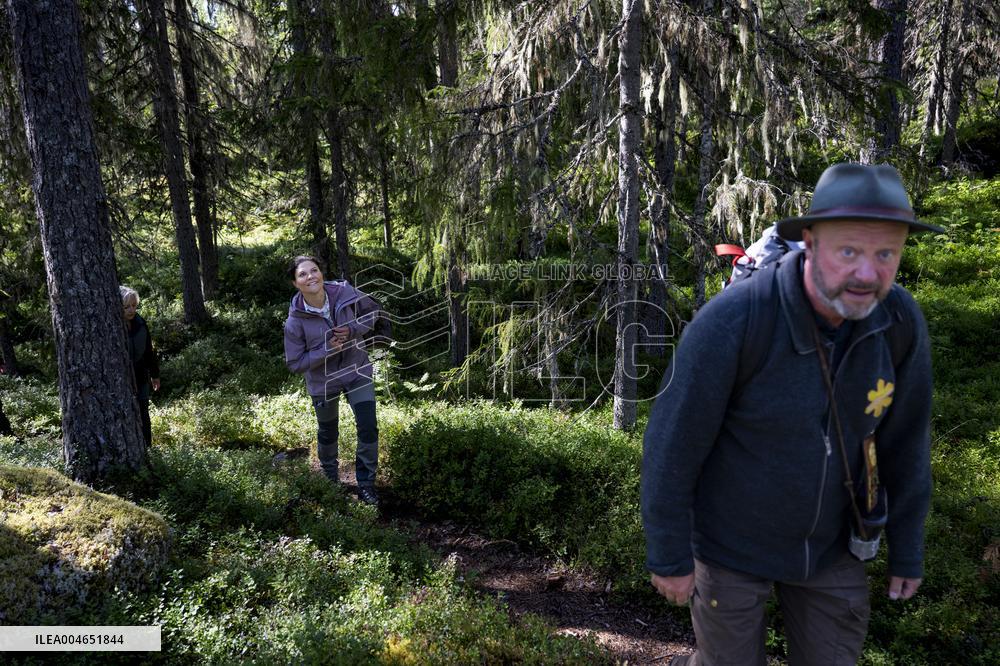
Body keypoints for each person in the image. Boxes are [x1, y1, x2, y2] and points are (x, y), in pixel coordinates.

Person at [641, 163, 942, 665]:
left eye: (885, 253)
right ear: (810, 241)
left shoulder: (899, 322)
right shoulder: (736, 320)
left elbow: (905, 443)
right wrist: (669, 554)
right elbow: (673, 441)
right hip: (728, 547)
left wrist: (907, 546)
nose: (868, 273)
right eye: (849, 251)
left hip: (831, 548)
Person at [283, 255, 382, 506]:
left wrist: (353, 330)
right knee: (328, 431)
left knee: (368, 425)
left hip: (356, 370)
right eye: (302, 275)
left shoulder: (344, 293)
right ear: (295, 283)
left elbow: (372, 312)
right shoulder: (295, 321)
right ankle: (329, 480)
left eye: (314, 270)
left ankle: (367, 484)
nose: (310, 277)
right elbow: (295, 363)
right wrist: (327, 349)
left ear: (321, 273)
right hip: (323, 382)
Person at [121, 286, 160, 447]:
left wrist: (155, 375)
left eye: (134, 306)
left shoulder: (140, 323)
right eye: (126, 307)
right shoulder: (112, 327)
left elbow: (149, 350)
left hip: (141, 376)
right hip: (121, 379)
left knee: (144, 412)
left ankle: (147, 448)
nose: (131, 310)